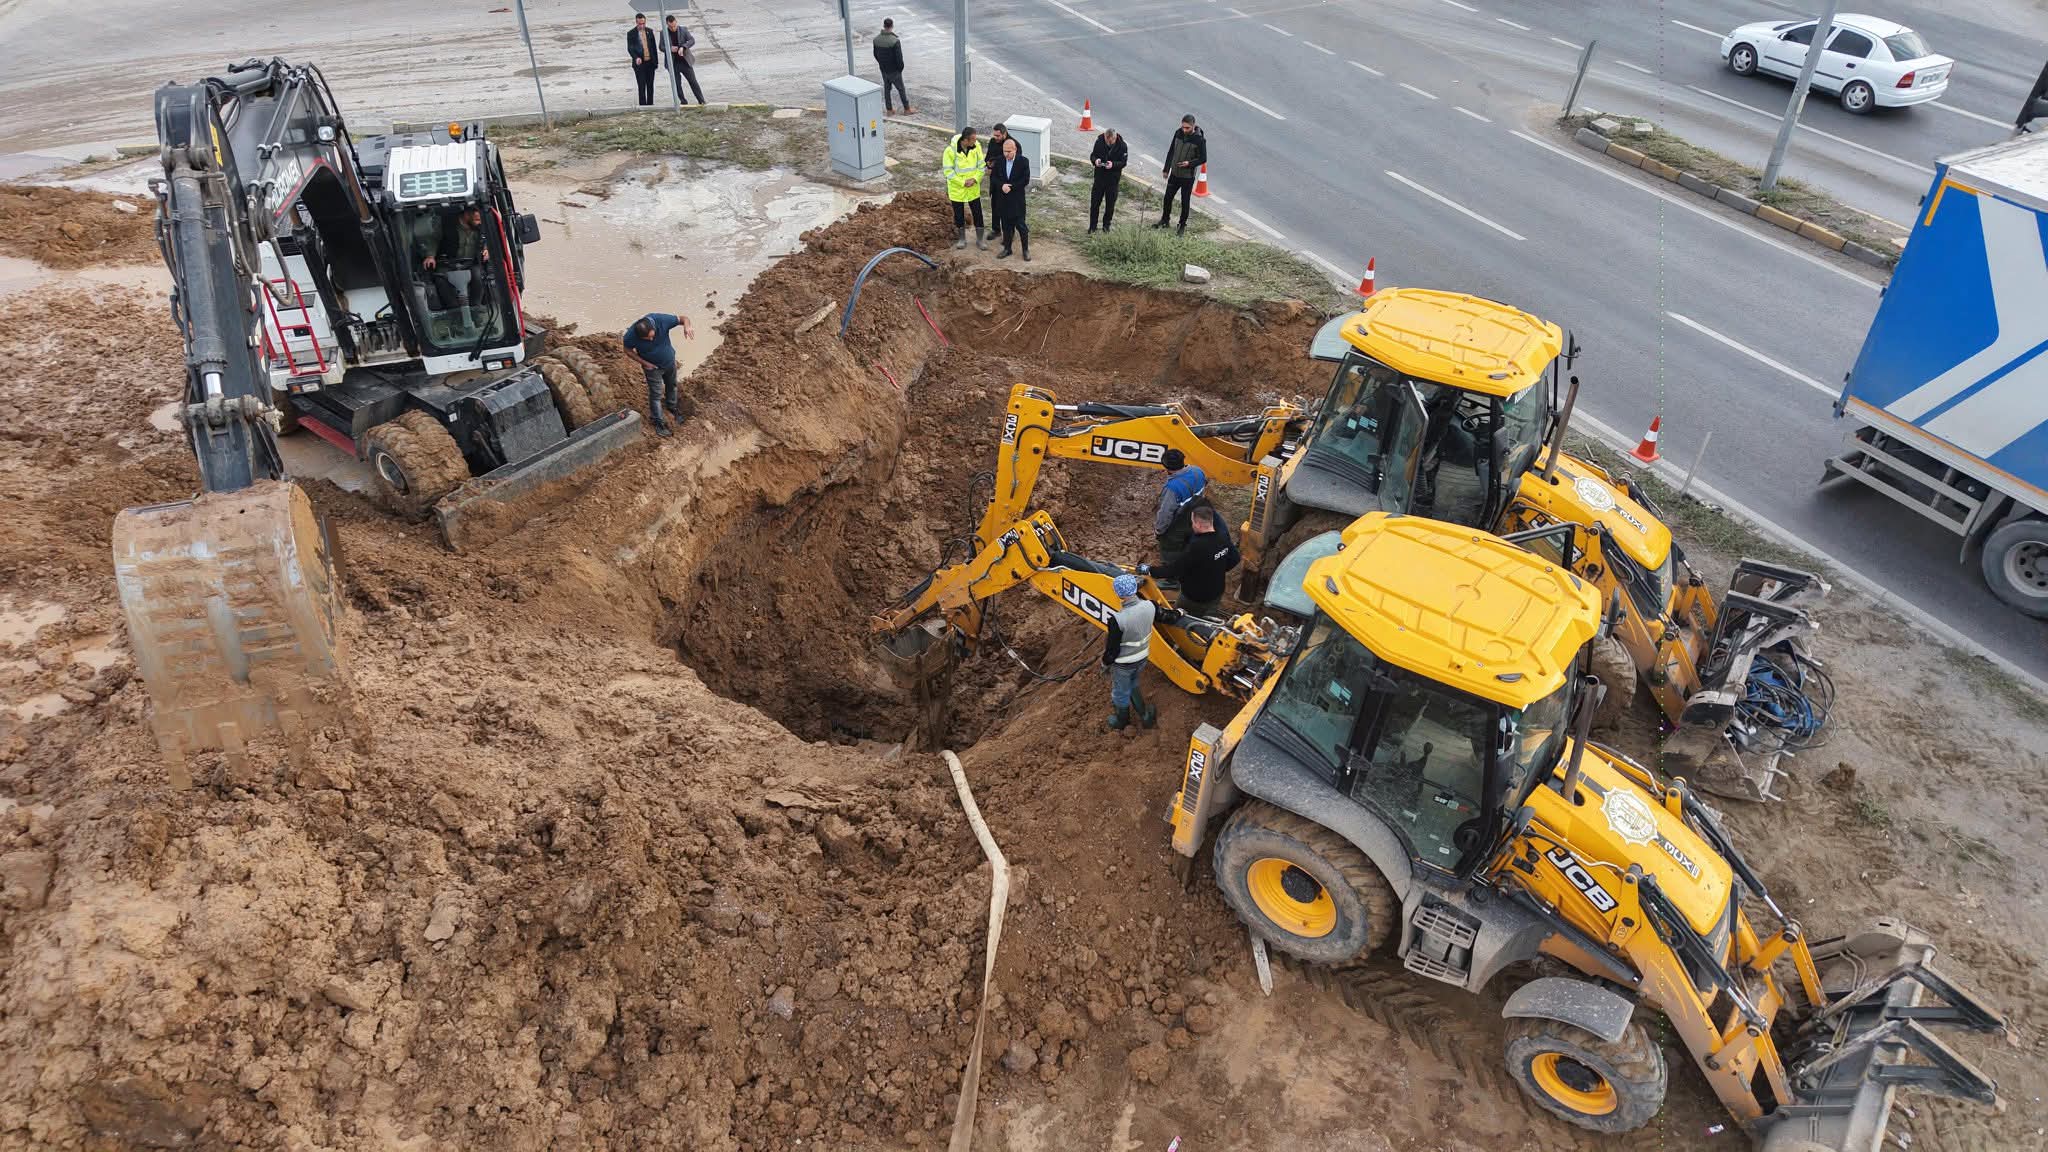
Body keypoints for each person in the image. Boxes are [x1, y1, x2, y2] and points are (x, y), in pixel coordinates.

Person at [1147, 506, 1239, 618]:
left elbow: (1174, 570)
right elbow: (1235, 559)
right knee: (1209, 618)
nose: (1192, 526)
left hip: (1194, 596)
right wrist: (1217, 568)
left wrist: (1150, 570)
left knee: (1180, 617)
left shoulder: (1196, 547)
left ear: (1199, 525)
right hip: (1217, 592)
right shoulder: (1223, 537)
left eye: (1193, 523)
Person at [1101, 573, 1158, 731]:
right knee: (1133, 684)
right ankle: (1145, 716)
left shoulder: (1118, 620)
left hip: (1124, 664)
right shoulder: (1150, 606)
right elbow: (1165, 616)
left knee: (1120, 691)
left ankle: (1122, 720)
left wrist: (1105, 663)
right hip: (1142, 658)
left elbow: (1112, 650)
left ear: (1119, 594)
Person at [623, 311, 694, 437]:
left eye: (652, 336)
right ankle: (658, 422)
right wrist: (645, 363)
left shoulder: (661, 320)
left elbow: (684, 318)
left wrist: (687, 326)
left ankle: (672, 409)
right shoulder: (631, 335)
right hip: (653, 368)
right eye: (647, 339)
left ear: (654, 327)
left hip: (669, 362)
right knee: (656, 394)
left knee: (672, 385)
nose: (650, 339)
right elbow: (627, 350)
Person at [423, 206, 490, 313]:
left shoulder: (481, 227)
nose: (479, 223)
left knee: (479, 275)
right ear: (467, 215)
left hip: (471, 263)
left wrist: (487, 249)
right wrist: (430, 256)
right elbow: (433, 240)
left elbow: (490, 237)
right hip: (447, 263)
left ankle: (475, 308)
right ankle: (454, 311)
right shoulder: (446, 224)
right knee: (440, 279)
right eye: (476, 220)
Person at [1153, 448, 1210, 564]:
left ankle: (1171, 576)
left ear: (1165, 466)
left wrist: (1159, 531)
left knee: (1170, 549)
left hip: (1179, 524)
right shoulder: (1198, 471)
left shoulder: (1173, 488)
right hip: (1197, 516)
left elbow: (1165, 513)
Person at [1154, 114, 1207, 234]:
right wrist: (1166, 168)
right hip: (1175, 173)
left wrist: (1189, 163)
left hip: (1187, 176)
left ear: (1193, 126)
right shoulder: (1178, 133)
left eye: (1187, 128)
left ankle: (1182, 225)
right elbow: (1171, 150)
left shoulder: (1199, 140)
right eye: (1183, 127)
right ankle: (1165, 220)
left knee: (1185, 201)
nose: (1184, 130)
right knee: (1167, 198)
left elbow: (1203, 159)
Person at [942, 127, 987, 251]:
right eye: (973, 139)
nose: (976, 141)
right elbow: (948, 172)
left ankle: (979, 240)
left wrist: (975, 179)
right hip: (957, 190)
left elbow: (981, 166)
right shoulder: (950, 151)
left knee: (978, 213)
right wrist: (962, 182)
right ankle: (962, 239)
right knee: (959, 215)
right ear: (965, 140)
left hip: (973, 188)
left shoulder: (976, 147)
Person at [991, 136, 1031, 261]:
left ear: (1015, 150)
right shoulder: (1000, 161)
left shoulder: (1023, 161)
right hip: (1003, 200)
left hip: (1016, 200)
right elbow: (994, 178)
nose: (1006, 154)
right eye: (1004, 151)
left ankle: (1025, 250)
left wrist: (1012, 187)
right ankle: (1007, 249)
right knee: (1006, 227)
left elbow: (1025, 180)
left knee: (1021, 227)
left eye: (1008, 151)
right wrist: (1001, 185)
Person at [1087, 127, 1127, 233]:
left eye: (1109, 141)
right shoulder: (1099, 141)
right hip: (1099, 178)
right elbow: (1093, 155)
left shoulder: (1122, 146)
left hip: (1112, 181)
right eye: (1106, 140)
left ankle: (1106, 226)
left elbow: (1123, 162)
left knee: (1110, 205)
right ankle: (1092, 227)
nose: (1108, 142)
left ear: (1114, 138)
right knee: (1095, 203)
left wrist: (1113, 165)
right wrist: (1096, 161)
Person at [872, 19, 912, 114]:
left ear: (884, 25)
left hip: (883, 69)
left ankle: (889, 110)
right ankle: (907, 109)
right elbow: (899, 58)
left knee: (887, 88)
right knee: (901, 89)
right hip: (894, 70)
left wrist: (881, 64)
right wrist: (900, 69)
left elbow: (875, 54)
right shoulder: (894, 41)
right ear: (892, 26)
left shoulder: (876, 40)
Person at [665, 14, 706, 105]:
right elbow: (661, 46)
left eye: (674, 26)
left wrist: (683, 47)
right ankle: (683, 101)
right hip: (673, 62)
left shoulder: (683, 30)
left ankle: (701, 100)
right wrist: (669, 48)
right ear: (667, 24)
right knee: (677, 84)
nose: (673, 28)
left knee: (693, 81)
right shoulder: (663, 33)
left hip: (685, 61)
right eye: (670, 27)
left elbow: (692, 40)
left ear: (676, 22)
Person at [627, 14, 660, 106]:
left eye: (643, 23)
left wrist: (656, 63)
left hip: (650, 63)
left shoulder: (649, 31)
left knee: (650, 86)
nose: (642, 26)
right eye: (640, 23)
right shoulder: (631, 33)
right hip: (639, 64)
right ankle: (643, 106)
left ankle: (650, 105)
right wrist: (636, 57)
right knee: (641, 86)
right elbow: (630, 48)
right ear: (636, 22)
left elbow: (653, 48)